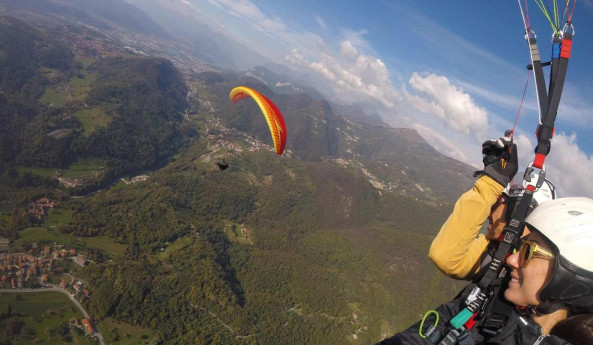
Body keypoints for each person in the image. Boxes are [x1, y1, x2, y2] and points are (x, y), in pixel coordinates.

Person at [377, 197, 593, 344]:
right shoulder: (496, 304)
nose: (512, 259)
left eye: (528, 251)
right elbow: (443, 321)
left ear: (569, 278)